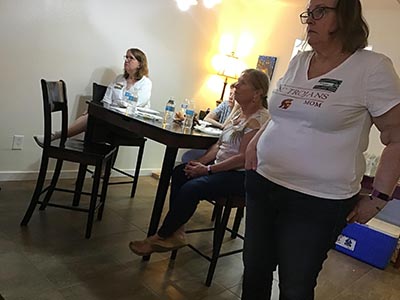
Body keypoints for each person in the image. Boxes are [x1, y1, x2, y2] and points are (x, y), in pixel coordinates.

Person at [242, 0, 400, 299]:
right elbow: (282, 112)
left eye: (319, 11)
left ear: (346, 15)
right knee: (254, 270)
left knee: (295, 285)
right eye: (308, 12)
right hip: (263, 183)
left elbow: (397, 136)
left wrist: (379, 198)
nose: (309, 19)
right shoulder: (300, 60)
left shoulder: (372, 67)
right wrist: (256, 140)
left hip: (317, 201)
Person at [129, 69, 271, 256]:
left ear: (257, 93)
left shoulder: (260, 119)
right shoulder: (237, 114)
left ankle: (160, 237)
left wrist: (208, 170)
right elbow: (218, 146)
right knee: (181, 172)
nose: (235, 86)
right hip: (221, 169)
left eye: (242, 83)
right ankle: (177, 232)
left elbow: (242, 158)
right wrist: (198, 164)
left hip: (241, 175)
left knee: (192, 188)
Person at [47, 48, 151, 141]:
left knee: (92, 117)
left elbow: (136, 104)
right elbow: (106, 100)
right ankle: (58, 135)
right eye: (126, 57)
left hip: (132, 126)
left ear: (140, 64)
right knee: (91, 114)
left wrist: (118, 104)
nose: (126, 60)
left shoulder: (146, 83)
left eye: (131, 58)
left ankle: (57, 135)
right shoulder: (119, 79)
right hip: (114, 120)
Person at [180, 83, 238, 163]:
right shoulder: (225, 104)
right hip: (215, 144)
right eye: (230, 94)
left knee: (189, 158)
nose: (230, 97)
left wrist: (235, 108)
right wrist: (220, 125)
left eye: (234, 95)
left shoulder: (239, 111)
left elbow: (225, 126)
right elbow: (207, 118)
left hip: (222, 149)